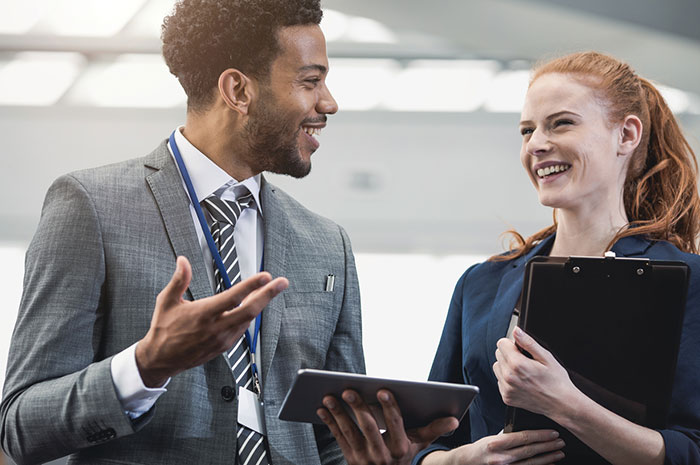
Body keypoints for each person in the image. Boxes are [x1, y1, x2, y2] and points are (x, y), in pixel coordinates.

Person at [1, 1, 368, 464]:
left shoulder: (326, 244)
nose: (328, 103)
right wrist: (145, 366)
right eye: (310, 81)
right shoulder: (90, 207)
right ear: (237, 90)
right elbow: (20, 427)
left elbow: (335, 441)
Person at [319, 51, 700, 465]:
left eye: (562, 123)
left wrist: (565, 404)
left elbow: (690, 449)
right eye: (526, 130)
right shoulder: (481, 284)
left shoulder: (684, 280)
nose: (536, 144)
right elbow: (432, 443)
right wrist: (463, 460)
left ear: (626, 135)